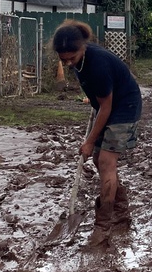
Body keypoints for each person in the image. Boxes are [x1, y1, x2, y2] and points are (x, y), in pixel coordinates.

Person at [52, 20, 142, 245]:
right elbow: (100, 102)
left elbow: (107, 106)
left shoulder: (98, 63)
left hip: (125, 107)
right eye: (64, 59)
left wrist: (90, 140)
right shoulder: (79, 61)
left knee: (105, 161)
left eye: (72, 58)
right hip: (106, 105)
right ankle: (121, 211)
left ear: (83, 47)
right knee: (96, 158)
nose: (69, 63)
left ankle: (103, 226)